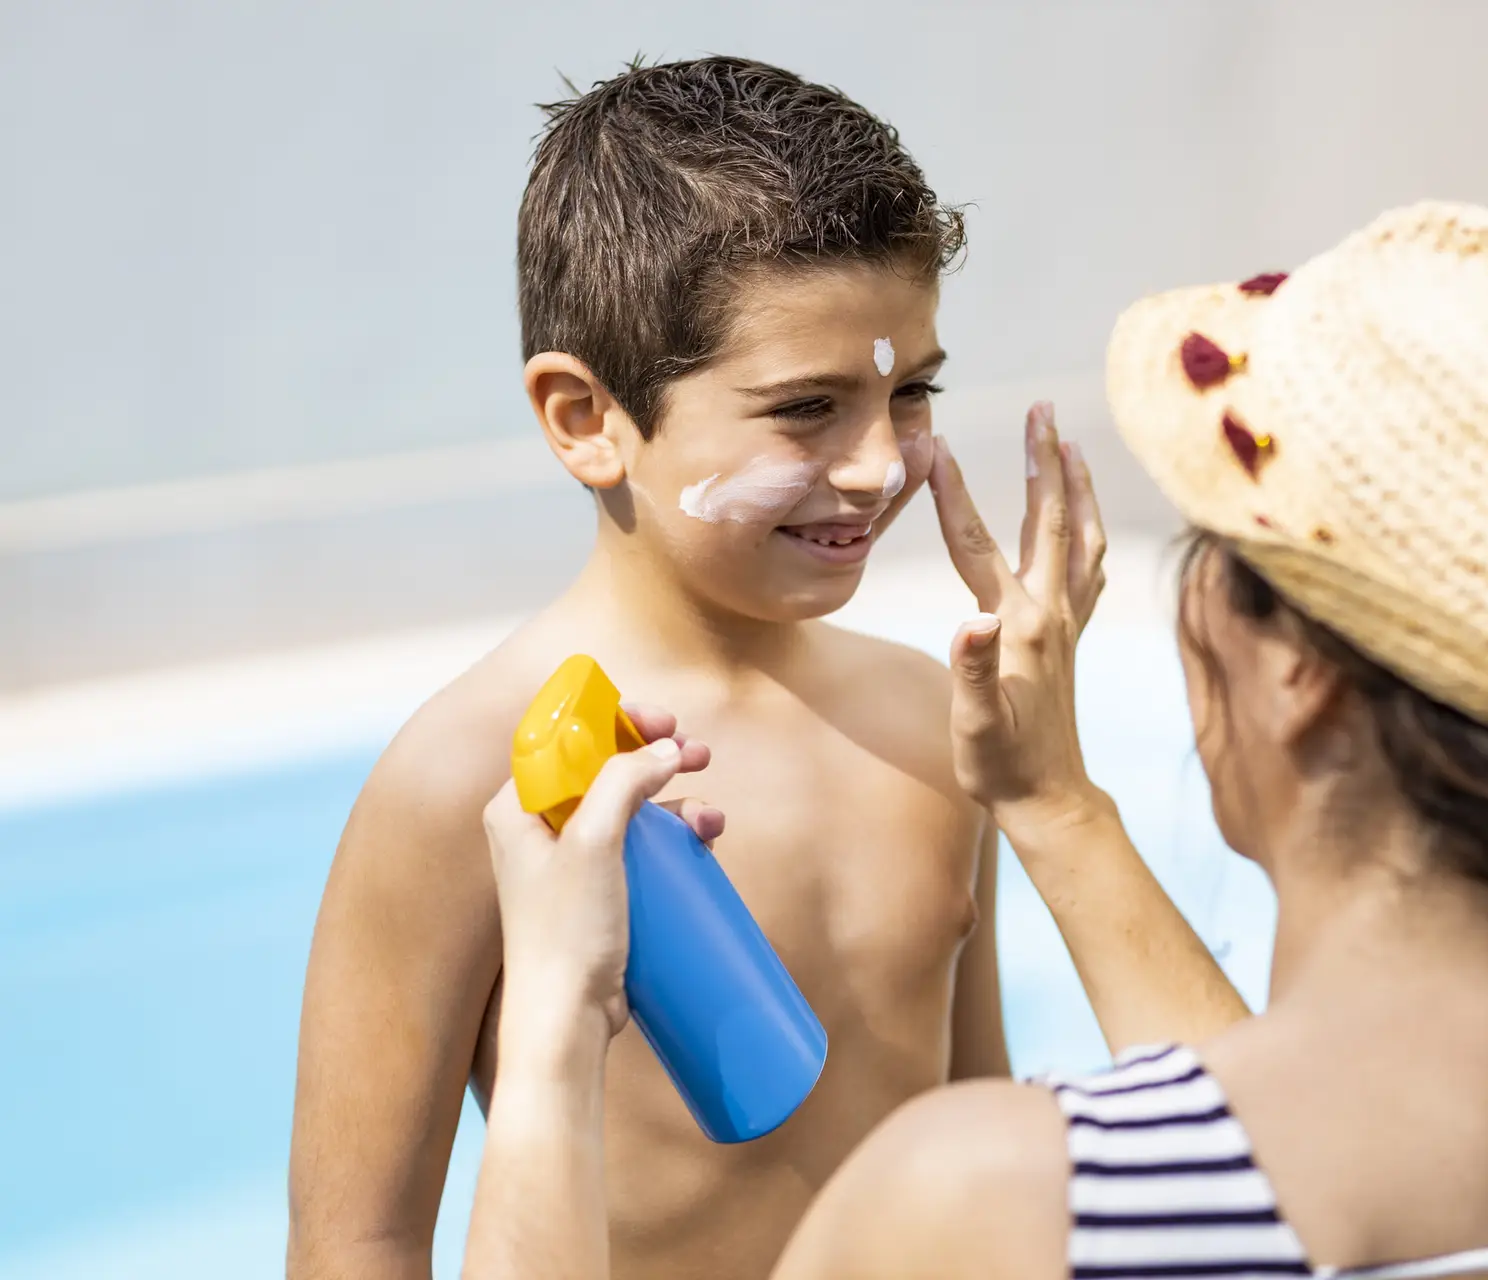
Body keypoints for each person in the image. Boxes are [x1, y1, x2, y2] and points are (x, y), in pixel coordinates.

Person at [469, 201, 1488, 1280]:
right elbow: (1253, 1149)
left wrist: (544, 1039)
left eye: (1214, 553)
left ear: (1298, 674)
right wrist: (1053, 803)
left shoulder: (992, 1205)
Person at [287, 56, 1219, 1280]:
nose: (880, 464)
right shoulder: (466, 780)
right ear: (585, 418)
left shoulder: (934, 718)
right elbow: (357, 1241)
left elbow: (981, 1122)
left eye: (913, 390)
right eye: (806, 407)